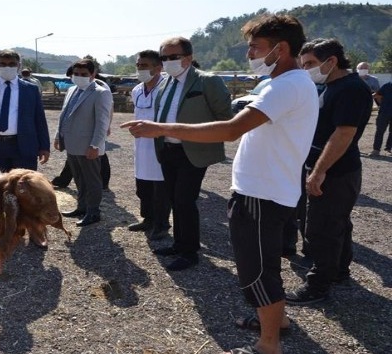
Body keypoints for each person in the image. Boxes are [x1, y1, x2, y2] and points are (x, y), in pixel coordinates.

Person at [122, 14, 317, 354]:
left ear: (281, 48)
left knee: (257, 273)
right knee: (267, 264)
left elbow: (229, 129)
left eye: (255, 47)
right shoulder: (286, 83)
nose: (249, 55)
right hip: (267, 190)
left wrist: (164, 128)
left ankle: (268, 345)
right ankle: (278, 322)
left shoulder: (286, 85)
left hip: (262, 194)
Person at [285, 38, 373, 306]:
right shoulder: (331, 86)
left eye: (311, 63)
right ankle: (338, 271)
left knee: (321, 229)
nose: (307, 69)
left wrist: (319, 171)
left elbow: (344, 133)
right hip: (331, 169)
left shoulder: (350, 89)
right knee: (337, 224)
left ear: (331, 61)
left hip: (336, 171)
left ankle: (317, 285)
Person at [146, 36, 233, 271]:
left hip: (193, 151)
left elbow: (225, 117)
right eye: (164, 58)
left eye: (173, 57)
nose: (168, 62)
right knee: (174, 199)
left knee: (185, 200)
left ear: (189, 58)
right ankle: (179, 243)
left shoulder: (208, 81)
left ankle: (189, 251)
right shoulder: (165, 83)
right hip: (168, 149)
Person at [55, 58, 112, 227]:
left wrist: (95, 145)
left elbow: (102, 123)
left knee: (92, 180)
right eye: (76, 74)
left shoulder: (101, 93)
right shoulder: (72, 89)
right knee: (79, 178)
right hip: (72, 145)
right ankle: (82, 207)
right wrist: (59, 136)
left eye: (84, 74)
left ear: (93, 74)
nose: (79, 77)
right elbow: (64, 116)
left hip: (89, 147)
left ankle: (93, 212)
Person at [126, 50, 170, 235]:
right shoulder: (137, 90)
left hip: (161, 144)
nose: (140, 69)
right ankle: (148, 218)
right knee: (143, 185)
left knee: (161, 188)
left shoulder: (167, 87)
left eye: (144, 66)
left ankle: (161, 224)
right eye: (138, 65)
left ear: (158, 68)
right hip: (141, 145)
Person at [371, 81, 392, 156]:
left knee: (382, 131)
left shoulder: (388, 85)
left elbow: (377, 96)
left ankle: (387, 148)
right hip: (384, 112)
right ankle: (377, 149)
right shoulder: (388, 85)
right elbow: (377, 95)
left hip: (384, 111)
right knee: (380, 131)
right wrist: (382, 105)